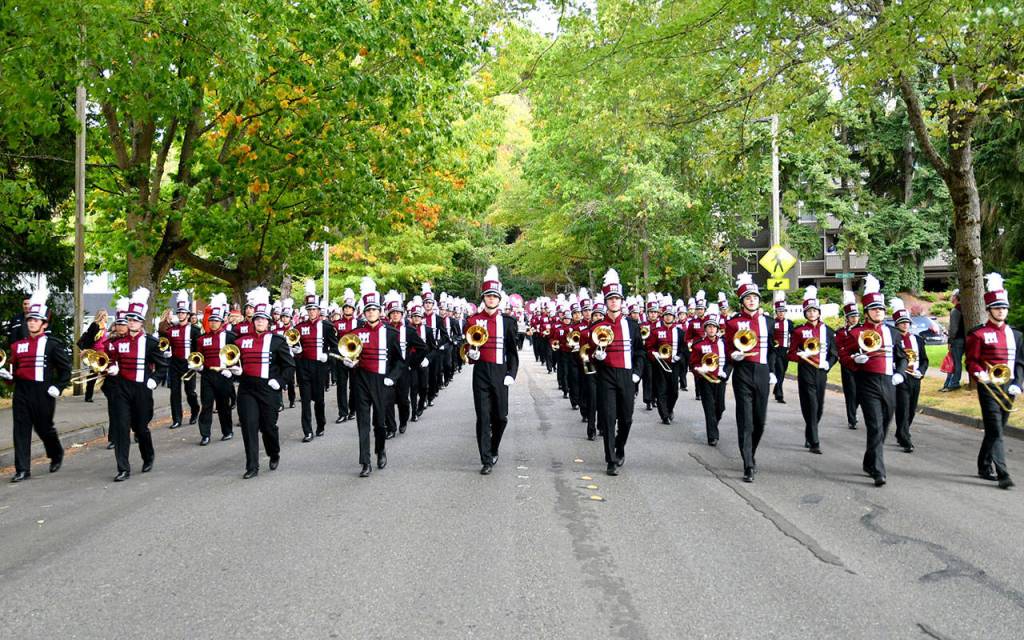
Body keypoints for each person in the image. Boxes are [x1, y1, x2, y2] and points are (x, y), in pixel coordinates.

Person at [837, 275, 907, 488]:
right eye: (875, 309)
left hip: (888, 382)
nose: (879, 312)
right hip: (866, 383)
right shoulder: (856, 333)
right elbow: (843, 356)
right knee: (875, 426)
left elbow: (902, 357)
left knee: (885, 425)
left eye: (881, 309)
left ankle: (869, 460)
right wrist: (854, 360)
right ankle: (878, 470)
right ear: (866, 311)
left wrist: (901, 374)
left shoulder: (892, 333)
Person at [2, 285, 71, 483]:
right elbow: (13, 372)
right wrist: (6, 375)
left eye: (36, 320)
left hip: (43, 391)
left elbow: (65, 370)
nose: (31, 323)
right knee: (20, 429)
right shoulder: (17, 346)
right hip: (22, 391)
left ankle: (56, 452)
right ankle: (22, 469)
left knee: (44, 428)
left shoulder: (52, 345)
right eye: (30, 320)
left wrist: (58, 386)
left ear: (44, 324)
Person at [339, 277, 406, 477]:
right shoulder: (355, 333)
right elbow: (345, 350)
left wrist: (391, 378)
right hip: (360, 380)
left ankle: (381, 450)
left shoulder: (391, 333)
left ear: (380, 311)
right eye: (368, 310)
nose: (371, 312)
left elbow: (399, 362)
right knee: (363, 422)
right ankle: (365, 462)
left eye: (374, 309)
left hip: (381, 381)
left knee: (380, 422)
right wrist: (348, 361)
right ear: (364, 312)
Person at [966, 273, 1022, 489]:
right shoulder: (978, 334)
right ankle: (1003, 474)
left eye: (1004, 308)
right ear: (988, 309)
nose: (1001, 311)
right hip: (988, 385)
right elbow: (971, 361)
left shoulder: (1015, 334)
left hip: (1009, 386)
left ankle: (983, 464)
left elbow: (1020, 362)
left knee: (997, 428)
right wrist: (980, 374)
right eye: (997, 308)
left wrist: (1019, 382)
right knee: (996, 429)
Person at [231, 287, 294, 479]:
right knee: (249, 426)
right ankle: (252, 466)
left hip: (269, 389)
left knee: (268, 427)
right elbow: (234, 362)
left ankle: (273, 452)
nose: (259, 321)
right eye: (257, 318)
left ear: (268, 321)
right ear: (253, 320)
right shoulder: (241, 341)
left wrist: (280, 382)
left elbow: (289, 366)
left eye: (263, 319)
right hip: (247, 389)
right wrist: (235, 372)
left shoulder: (277, 341)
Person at [106, 287, 165, 482]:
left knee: (141, 428)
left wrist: (154, 381)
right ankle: (123, 468)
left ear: (141, 322)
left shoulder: (150, 342)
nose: (132, 323)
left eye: (136, 320)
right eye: (129, 319)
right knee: (122, 428)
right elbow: (109, 360)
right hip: (121, 390)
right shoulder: (117, 342)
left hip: (141, 390)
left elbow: (163, 366)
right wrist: (111, 367)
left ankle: (148, 455)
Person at [723, 272, 777, 483]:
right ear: (742, 301)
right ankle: (748, 463)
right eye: (748, 297)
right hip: (743, 372)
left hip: (762, 371)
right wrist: (732, 356)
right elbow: (726, 348)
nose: (752, 300)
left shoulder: (769, 323)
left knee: (760, 421)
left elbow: (774, 350)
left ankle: (751, 452)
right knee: (745, 419)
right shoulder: (733, 323)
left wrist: (773, 371)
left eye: (755, 297)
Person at [464, 266, 519, 475]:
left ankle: (494, 447)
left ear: (499, 299)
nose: (491, 299)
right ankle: (485, 459)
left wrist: (510, 374)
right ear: (484, 297)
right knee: (483, 418)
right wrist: (471, 354)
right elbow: (467, 349)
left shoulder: (508, 323)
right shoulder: (472, 320)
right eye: (488, 296)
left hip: (500, 373)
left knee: (501, 417)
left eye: (494, 296)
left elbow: (513, 353)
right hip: (481, 373)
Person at [591, 268, 645, 476]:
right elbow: (588, 352)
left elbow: (641, 352)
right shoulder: (598, 325)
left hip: (627, 375)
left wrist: (636, 374)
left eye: (617, 299)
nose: (614, 302)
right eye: (610, 299)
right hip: (606, 375)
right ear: (606, 302)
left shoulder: (632, 325)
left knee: (627, 419)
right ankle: (610, 460)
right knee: (608, 417)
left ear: (622, 301)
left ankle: (620, 448)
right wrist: (597, 356)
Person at [787, 287, 837, 454]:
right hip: (806, 370)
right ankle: (815, 442)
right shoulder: (799, 331)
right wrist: (802, 355)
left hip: (821, 372)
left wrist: (828, 365)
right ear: (805, 313)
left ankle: (810, 433)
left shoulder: (829, 331)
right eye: (809, 311)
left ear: (819, 312)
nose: (812, 313)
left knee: (819, 407)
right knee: (811, 404)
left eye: (814, 310)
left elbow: (834, 354)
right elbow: (791, 354)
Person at [292, 280, 338, 442]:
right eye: (309, 309)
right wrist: (295, 350)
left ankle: (321, 424)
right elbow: (293, 344)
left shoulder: (326, 326)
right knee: (305, 400)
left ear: (319, 310)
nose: (311, 312)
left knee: (319, 399)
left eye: (314, 309)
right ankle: (307, 431)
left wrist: (327, 356)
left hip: (319, 367)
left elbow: (336, 348)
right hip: (303, 366)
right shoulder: (298, 327)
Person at [193, 293, 237, 446]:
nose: (213, 323)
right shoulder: (201, 339)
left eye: (216, 321)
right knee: (206, 405)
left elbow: (236, 355)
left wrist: (230, 369)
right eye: (211, 320)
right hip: (207, 375)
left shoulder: (230, 336)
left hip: (223, 375)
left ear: (221, 322)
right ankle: (205, 434)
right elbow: (198, 356)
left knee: (223, 405)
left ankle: (227, 431)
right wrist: (197, 366)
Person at [384, 290, 427, 437]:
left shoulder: (409, 330)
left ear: (402, 314)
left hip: (404, 370)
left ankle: (403, 421)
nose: (395, 314)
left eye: (398, 312)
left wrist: (412, 363)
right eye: (393, 312)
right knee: (388, 400)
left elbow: (423, 348)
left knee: (403, 399)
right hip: (388, 370)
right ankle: (391, 427)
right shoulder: (384, 329)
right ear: (389, 314)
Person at [892, 297, 928, 453]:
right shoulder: (893, 340)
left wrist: (921, 371)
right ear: (897, 324)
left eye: (907, 322)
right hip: (901, 378)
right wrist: (896, 368)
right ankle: (906, 438)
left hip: (915, 378)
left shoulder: (918, 340)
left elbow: (925, 360)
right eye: (902, 322)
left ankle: (901, 432)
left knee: (912, 409)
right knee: (903, 407)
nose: (905, 324)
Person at [689, 304, 729, 446]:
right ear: (705, 329)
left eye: (714, 327)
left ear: (717, 329)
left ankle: (713, 424)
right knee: (709, 407)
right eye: (709, 327)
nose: (711, 329)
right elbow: (693, 363)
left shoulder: (724, 344)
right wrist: (699, 369)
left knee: (720, 407)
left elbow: (730, 361)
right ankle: (712, 436)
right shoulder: (699, 344)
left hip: (720, 378)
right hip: (705, 380)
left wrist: (726, 373)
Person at [162, 290, 200, 429]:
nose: (181, 315)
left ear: (188, 315)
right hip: (174, 364)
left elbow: (198, 349)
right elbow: (167, 344)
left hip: (189, 364)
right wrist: (166, 352)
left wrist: (196, 364)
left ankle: (195, 410)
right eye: (179, 312)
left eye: (183, 312)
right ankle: (176, 419)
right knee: (175, 392)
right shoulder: (172, 330)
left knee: (190, 392)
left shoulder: (195, 330)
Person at [646, 297, 682, 425]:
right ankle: (664, 415)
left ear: (674, 317)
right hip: (660, 365)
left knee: (674, 392)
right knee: (661, 390)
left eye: (670, 315)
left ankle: (670, 408)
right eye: (666, 315)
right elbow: (649, 348)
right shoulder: (656, 331)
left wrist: (680, 357)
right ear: (663, 316)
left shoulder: (679, 332)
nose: (668, 318)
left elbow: (684, 349)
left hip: (673, 364)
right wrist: (654, 354)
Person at [836, 291, 861, 429]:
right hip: (847, 364)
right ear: (847, 318)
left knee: (860, 391)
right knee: (850, 391)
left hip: (861, 364)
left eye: (856, 316)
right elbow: (839, 347)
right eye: (852, 316)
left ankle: (854, 410)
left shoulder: (863, 330)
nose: (854, 319)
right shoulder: (841, 332)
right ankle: (852, 418)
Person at [333, 289, 359, 423]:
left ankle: (353, 409)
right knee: (341, 386)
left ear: (353, 309)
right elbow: (333, 341)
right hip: (341, 358)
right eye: (346, 307)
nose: (348, 309)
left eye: (350, 307)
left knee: (354, 385)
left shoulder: (359, 323)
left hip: (354, 359)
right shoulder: (336, 324)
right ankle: (342, 412)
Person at [77, 309, 109, 402]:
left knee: (106, 374)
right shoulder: (95, 325)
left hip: (103, 353)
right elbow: (89, 338)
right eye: (106, 315)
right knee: (93, 375)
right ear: (102, 316)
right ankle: (88, 396)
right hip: (96, 353)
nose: (106, 317)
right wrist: (85, 350)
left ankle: (109, 393)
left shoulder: (104, 326)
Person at [770, 291, 792, 403]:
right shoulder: (773, 322)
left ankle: (776, 389)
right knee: (780, 371)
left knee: (782, 373)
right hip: (776, 350)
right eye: (779, 311)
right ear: (776, 312)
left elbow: (793, 335)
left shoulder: (790, 323)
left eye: (783, 311)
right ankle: (779, 395)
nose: (781, 313)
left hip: (786, 350)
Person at [941, 290, 965, 391]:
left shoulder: (956, 310)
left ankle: (953, 383)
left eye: (952, 296)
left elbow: (954, 328)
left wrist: (950, 341)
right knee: (956, 361)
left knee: (955, 362)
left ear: (956, 297)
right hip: (965, 339)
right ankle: (948, 384)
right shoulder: (965, 309)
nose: (951, 297)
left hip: (957, 340)